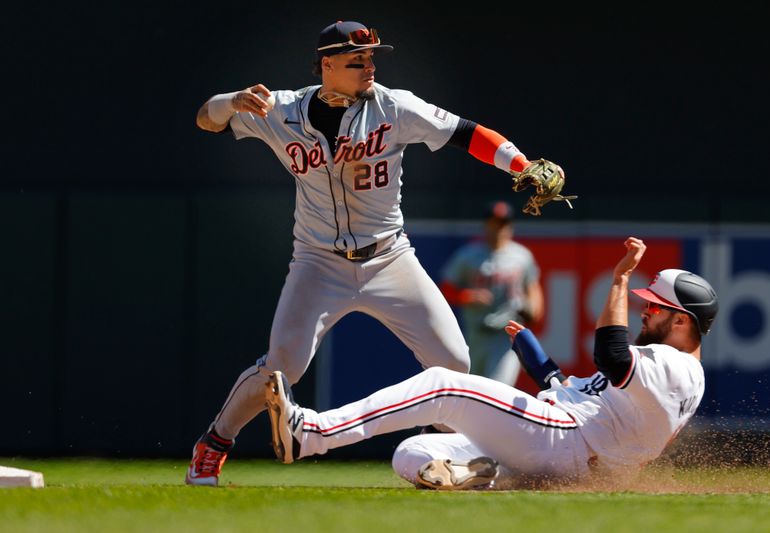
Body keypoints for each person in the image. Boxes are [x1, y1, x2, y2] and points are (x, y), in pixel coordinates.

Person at [186, 20, 565, 486]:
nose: (368, 66)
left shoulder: (393, 105)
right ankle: (215, 443)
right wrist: (230, 100)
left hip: (390, 258)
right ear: (327, 65)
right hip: (318, 263)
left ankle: (444, 455)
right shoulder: (279, 109)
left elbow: (468, 133)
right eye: (355, 60)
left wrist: (520, 163)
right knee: (282, 366)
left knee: (454, 362)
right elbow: (207, 118)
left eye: (370, 58)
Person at [263, 237, 719, 490]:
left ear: (681, 320)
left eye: (654, 307)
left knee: (444, 385)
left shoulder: (677, 367)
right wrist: (545, 369)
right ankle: (488, 478)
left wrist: (620, 279)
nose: (644, 309)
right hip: (567, 450)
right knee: (416, 454)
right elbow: (603, 391)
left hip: (566, 440)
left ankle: (310, 435)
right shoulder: (669, 367)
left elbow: (612, 357)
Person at [439, 200, 544, 385]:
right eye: (494, 223)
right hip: (474, 335)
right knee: (472, 392)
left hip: (507, 337)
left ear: (510, 226)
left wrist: (534, 309)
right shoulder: (469, 255)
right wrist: (467, 296)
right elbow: (445, 289)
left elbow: (533, 289)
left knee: (498, 388)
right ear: (486, 225)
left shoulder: (521, 256)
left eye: (503, 224)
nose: (498, 229)